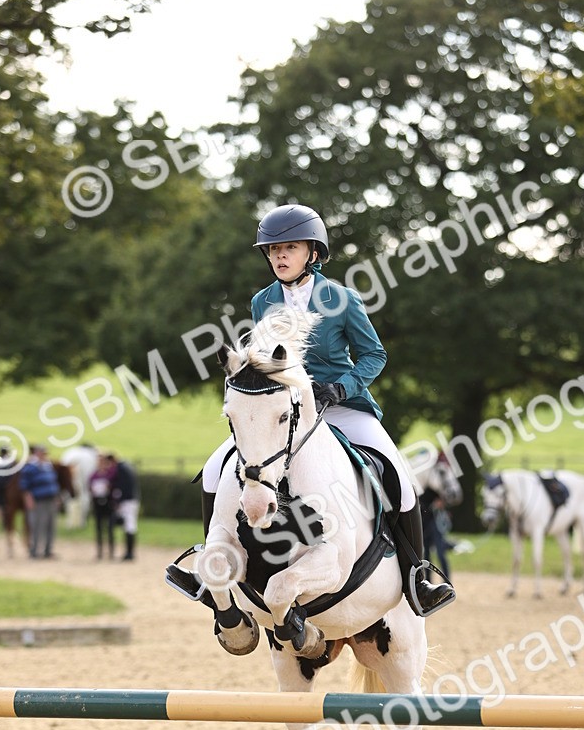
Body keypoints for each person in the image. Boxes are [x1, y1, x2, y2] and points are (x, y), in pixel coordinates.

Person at [170, 203, 455, 618]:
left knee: (397, 473)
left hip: (341, 406)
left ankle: (417, 575)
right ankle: (211, 565)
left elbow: (374, 355)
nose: (279, 256)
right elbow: (265, 359)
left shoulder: (341, 299)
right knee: (216, 468)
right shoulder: (261, 301)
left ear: (313, 253)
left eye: (289, 247)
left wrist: (342, 388)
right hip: (283, 412)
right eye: (272, 250)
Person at [19, 445, 60, 558]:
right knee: (37, 526)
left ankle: (48, 550)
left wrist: (56, 497)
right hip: (38, 500)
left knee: (50, 525)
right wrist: (29, 499)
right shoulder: (31, 467)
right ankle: (34, 550)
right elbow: (25, 486)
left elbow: (53, 483)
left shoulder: (48, 466)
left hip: (50, 499)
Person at [112, 456, 140, 560]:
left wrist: (118, 501)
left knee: (129, 526)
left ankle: (130, 552)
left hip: (128, 501)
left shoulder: (121, 469)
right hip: (131, 500)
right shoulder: (126, 467)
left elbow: (123, 487)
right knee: (130, 526)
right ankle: (129, 552)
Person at [89, 453, 117, 560]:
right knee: (99, 527)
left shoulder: (110, 474)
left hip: (108, 502)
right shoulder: (94, 475)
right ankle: (100, 551)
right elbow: (89, 486)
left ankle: (111, 551)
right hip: (97, 502)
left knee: (110, 527)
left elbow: (114, 486)